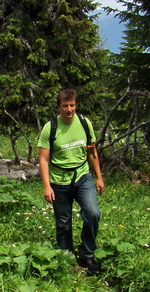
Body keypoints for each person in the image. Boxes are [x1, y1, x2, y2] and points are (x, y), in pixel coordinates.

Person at [38, 89, 105, 275]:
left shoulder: (84, 123)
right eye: (65, 106)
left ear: (76, 105)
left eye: (72, 105)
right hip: (59, 181)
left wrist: (98, 177)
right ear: (59, 107)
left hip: (83, 176)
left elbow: (92, 150)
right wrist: (46, 186)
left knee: (93, 214)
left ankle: (87, 255)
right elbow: (43, 159)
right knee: (63, 222)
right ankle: (66, 258)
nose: (69, 109)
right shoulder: (50, 128)